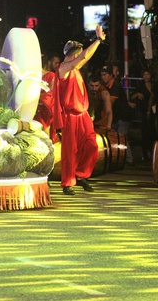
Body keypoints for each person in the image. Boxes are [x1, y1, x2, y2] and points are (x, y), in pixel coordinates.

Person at [56, 26, 104, 195]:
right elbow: (84, 56)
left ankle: (81, 175)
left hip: (83, 115)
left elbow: (86, 57)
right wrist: (98, 40)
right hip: (70, 116)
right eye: (80, 53)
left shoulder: (74, 69)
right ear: (74, 53)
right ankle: (67, 183)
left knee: (91, 145)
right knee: (69, 150)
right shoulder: (63, 69)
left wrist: (99, 42)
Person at [34, 53, 61, 141]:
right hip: (32, 109)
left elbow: (51, 95)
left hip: (44, 110)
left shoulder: (51, 76)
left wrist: (36, 98)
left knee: (44, 135)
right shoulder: (30, 76)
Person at [130, 68, 156, 161]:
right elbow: (131, 97)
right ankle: (144, 153)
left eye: (148, 74)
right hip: (143, 111)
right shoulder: (140, 86)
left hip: (154, 111)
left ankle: (153, 152)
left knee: (153, 132)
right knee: (144, 132)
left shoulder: (154, 85)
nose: (146, 77)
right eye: (144, 74)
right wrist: (137, 94)